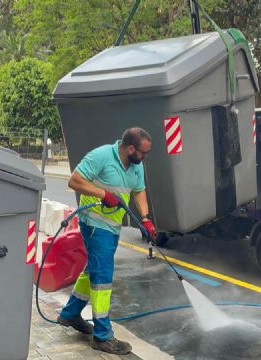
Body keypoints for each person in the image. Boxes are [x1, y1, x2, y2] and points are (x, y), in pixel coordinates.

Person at [57, 127, 157, 355]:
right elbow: (75, 181)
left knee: (93, 270)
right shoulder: (101, 156)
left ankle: (70, 314)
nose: (145, 157)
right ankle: (102, 336)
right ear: (130, 148)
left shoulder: (136, 165)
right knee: (102, 278)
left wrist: (145, 218)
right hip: (94, 224)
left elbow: (139, 191)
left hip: (113, 226)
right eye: (143, 152)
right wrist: (103, 195)